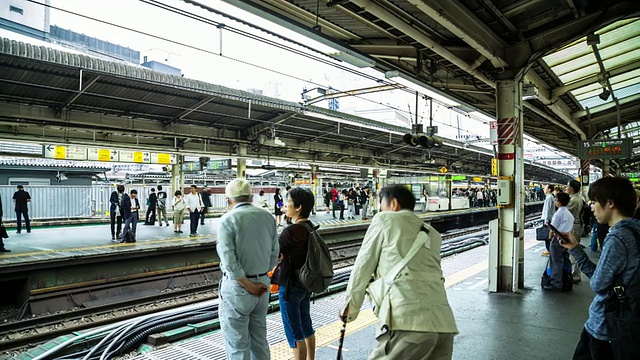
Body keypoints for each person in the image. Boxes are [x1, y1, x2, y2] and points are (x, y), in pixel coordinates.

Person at [341, 185, 458, 360]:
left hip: (408, 321)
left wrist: (349, 309)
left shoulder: (384, 220)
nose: (380, 209)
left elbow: (363, 266)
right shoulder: (432, 233)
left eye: (381, 204)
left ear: (393, 203)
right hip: (443, 324)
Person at [559, 176, 640, 359]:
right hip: (629, 319)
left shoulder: (618, 238)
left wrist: (577, 252)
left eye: (595, 202)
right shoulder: (636, 229)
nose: (591, 207)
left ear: (610, 203)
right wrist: (575, 248)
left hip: (606, 326)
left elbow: (598, 284)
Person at [217, 179, 279, 360]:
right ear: (251, 196)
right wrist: (261, 276)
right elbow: (275, 252)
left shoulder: (227, 220)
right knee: (259, 340)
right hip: (263, 287)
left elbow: (229, 260)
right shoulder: (267, 216)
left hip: (238, 290)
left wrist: (247, 284)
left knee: (237, 344)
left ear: (228, 199)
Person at [274, 187, 317, 360]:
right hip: (305, 284)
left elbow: (276, 256)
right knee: (306, 325)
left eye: (288, 202)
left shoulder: (290, 231)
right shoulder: (310, 227)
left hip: (290, 286)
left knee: (294, 332)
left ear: (298, 207)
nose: (285, 205)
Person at [543, 192, 574, 291]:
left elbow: (553, 228)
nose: (555, 201)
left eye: (556, 200)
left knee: (556, 261)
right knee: (566, 260)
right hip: (567, 239)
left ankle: (556, 284)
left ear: (559, 202)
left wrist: (549, 237)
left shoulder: (558, 214)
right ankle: (567, 279)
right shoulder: (569, 214)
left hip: (558, 240)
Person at [566, 180, 586, 283]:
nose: (566, 188)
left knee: (573, 250)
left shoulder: (574, 200)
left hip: (574, 226)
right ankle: (575, 274)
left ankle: (575, 275)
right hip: (577, 225)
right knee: (574, 249)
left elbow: (564, 211)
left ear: (572, 188)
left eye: (567, 186)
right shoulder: (580, 198)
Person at [540, 184, 556, 256]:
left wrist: (546, 220)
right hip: (549, 219)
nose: (544, 189)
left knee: (548, 236)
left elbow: (548, 210)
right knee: (548, 236)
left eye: (545, 188)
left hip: (548, 220)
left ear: (549, 189)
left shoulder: (549, 198)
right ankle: (550, 250)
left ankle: (550, 251)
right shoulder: (549, 197)